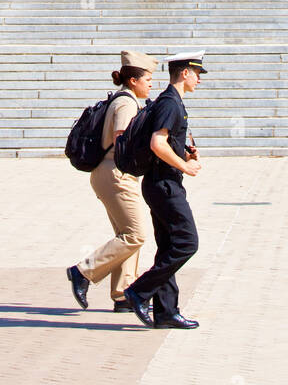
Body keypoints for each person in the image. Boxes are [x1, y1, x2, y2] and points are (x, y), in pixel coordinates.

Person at [121, 49, 207, 329]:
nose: (199, 80)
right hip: (165, 185)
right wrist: (186, 167)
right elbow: (157, 144)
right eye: (197, 74)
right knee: (187, 242)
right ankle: (138, 291)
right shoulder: (171, 103)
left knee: (168, 246)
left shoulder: (170, 101)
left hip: (161, 184)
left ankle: (166, 312)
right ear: (185, 73)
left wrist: (184, 153)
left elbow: (166, 143)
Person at [66, 50, 157, 312]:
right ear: (133, 81)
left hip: (110, 173)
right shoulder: (126, 103)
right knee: (135, 234)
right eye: (147, 79)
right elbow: (122, 139)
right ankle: (83, 272)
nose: (151, 84)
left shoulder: (124, 100)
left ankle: (123, 293)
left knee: (125, 233)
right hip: (116, 173)